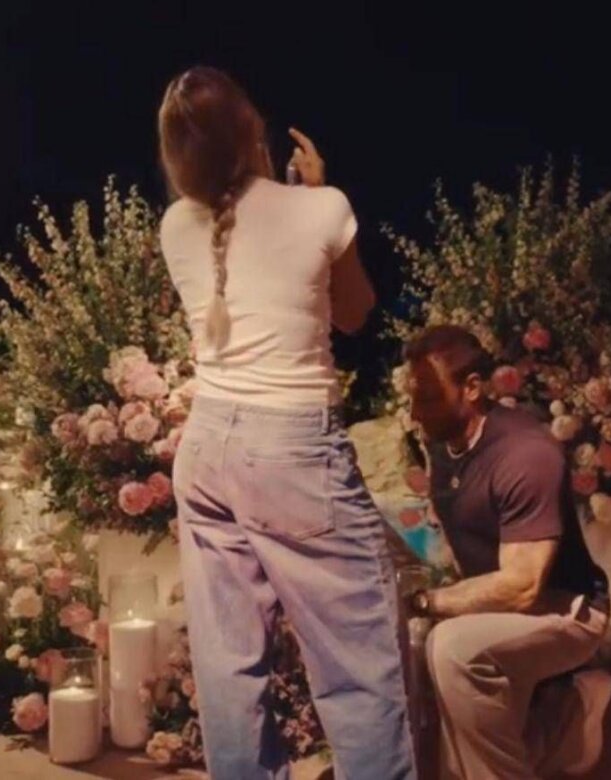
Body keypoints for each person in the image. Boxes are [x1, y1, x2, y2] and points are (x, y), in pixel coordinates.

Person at [157, 66, 416, 780]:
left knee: (228, 670)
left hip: (207, 450)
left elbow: (243, 241)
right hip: (294, 451)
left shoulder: (176, 225)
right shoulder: (322, 208)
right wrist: (313, 192)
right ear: (254, 132)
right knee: (358, 668)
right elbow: (355, 313)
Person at [402, 324, 611, 779]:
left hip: (568, 609)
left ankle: (564, 708)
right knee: (416, 646)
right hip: (506, 607)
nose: (416, 412)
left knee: (453, 648)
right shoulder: (444, 442)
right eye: (413, 397)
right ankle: (571, 712)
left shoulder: (525, 453)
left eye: (428, 398)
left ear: (472, 388)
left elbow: (522, 587)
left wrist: (426, 602)